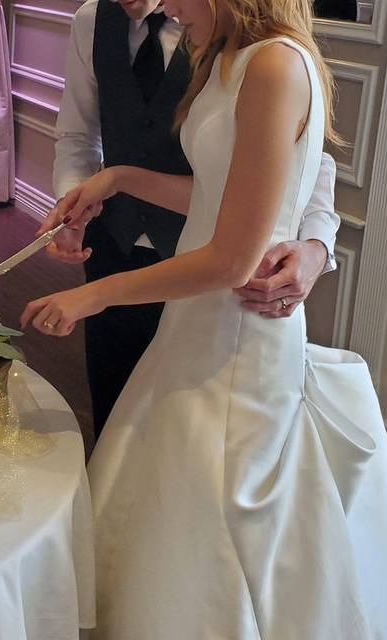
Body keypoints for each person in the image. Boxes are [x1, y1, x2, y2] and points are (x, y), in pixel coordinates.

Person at [22, 0, 387, 635]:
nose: (167, 7)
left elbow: (235, 258)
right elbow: (215, 191)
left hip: (235, 325)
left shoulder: (275, 66)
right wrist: (118, 177)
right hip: (199, 320)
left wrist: (93, 295)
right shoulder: (232, 56)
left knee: (218, 500)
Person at [45, 0, 340, 436]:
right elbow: (78, 134)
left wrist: (317, 244)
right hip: (126, 256)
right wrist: (105, 185)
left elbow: (302, 164)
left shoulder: (269, 58)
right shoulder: (213, 45)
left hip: (221, 288)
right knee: (119, 428)